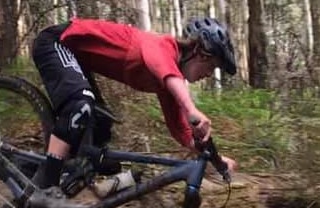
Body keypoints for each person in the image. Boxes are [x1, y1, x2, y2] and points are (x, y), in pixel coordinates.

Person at [31, 17, 237, 197]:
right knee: (80, 106)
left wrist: (216, 160)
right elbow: (163, 67)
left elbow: (181, 131)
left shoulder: (168, 81)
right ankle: (46, 188)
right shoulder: (161, 46)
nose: (209, 74)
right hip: (57, 42)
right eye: (211, 66)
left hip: (77, 59)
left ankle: (34, 168)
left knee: (101, 128)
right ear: (200, 53)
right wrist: (191, 108)